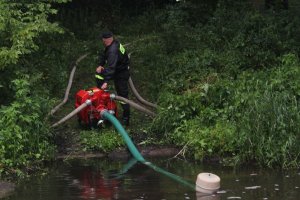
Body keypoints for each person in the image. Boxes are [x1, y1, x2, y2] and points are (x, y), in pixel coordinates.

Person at [95, 31, 130, 126]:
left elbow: (111, 68)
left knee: (122, 95)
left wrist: (106, 81)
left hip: (121, 73)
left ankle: (126, 118)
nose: (103, 42)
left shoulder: (113, 50)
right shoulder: (112, 43)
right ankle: (100, 99)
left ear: (105, 40)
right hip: (117, 69)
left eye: (103, 40)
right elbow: (104, 55)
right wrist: (100, 65)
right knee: (98, 73)